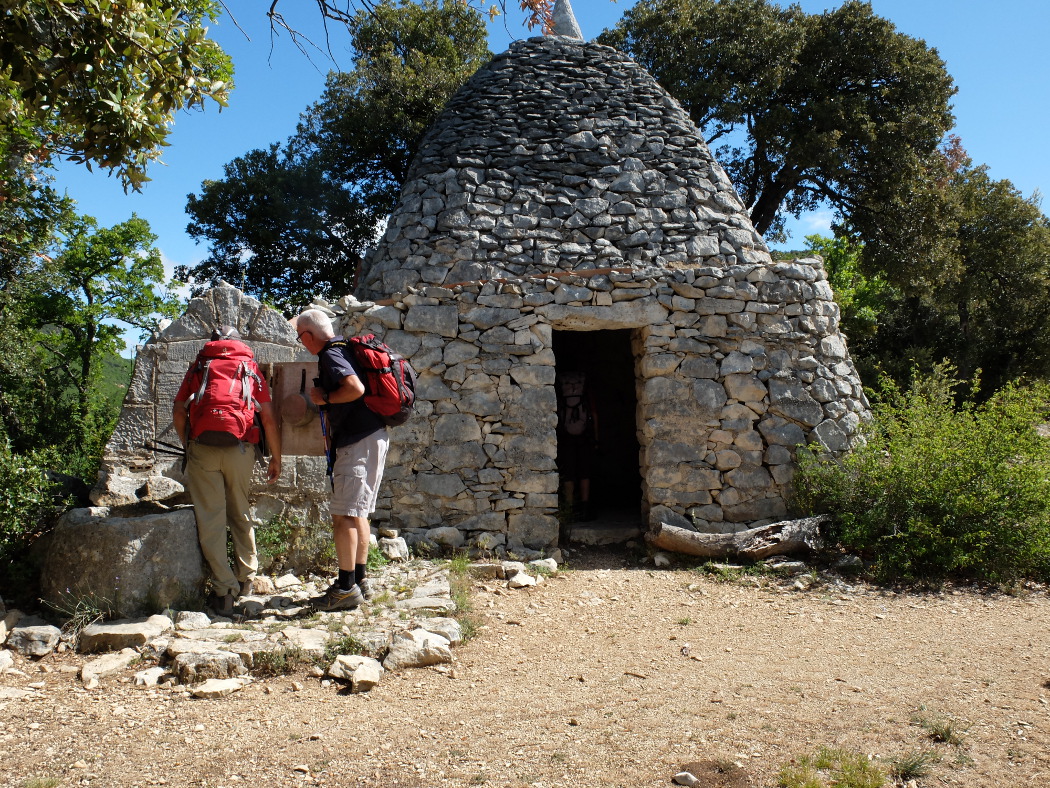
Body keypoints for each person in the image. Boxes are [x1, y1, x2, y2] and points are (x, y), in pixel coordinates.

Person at [172, 326, 282, 617]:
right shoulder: (249, 367)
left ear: (213, 341)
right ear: (238, 343)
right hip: (241, 448)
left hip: (203, 448)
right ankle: (246, 578)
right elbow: (268, 418)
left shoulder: (200, 365)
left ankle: (224, 592)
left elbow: (179, 410)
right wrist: (276, 458)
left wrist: (189, 443)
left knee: (211, 519)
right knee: (240, 510)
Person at [291, 309, 389, 612]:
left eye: (300, 337)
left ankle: (345, 588)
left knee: (343, 515)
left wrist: (324, 398)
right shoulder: (346, 348)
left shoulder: (331, 356)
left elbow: (354, 389)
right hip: (373, 436)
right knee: (357, 513)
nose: (301, 342)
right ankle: (359, 581)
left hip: (357, 441)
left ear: (308, 336)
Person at [556, 369, 599, 529]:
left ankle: (570, 509)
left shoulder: (562, 387)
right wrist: (596, 438)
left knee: (568, 472)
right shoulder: (586, 388)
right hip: (585, 437)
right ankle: (585, 508)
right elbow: (593, 413)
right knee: (584, 471)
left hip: (566, 437)